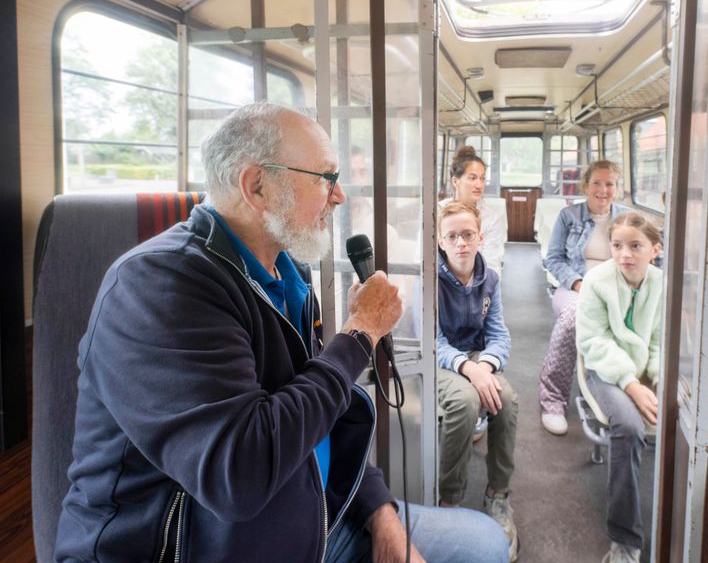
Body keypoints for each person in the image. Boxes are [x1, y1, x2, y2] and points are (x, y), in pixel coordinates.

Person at [55, 102, 509, 563]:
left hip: (318, 513)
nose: (339, 197)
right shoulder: (158, 286)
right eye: (325, 178)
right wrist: (360, 334)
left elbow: (322, 414)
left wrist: (379, 511)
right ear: (257, 186)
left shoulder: (285, 272)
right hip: (204, 548)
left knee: (485, 543)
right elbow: (241, 474)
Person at [435, 201, 520, 562]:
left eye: (468, 235)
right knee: (465, 402)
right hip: (441, 360)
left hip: (477, 357)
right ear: (440, 241)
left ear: (480, 237)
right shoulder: (431, 280)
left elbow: (499, 335)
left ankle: (498, 494)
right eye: (452, 236)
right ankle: (449, 499)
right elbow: (432, 340)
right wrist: (467, 369)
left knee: (508, 401)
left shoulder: (491, 279)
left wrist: (484, 364)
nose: (461, 244)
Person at [577, 212, 663, 563]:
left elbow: (659, 341)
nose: (624, 254)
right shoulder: (597, 281)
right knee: (628, 427)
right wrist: (631, 383)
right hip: (605, 370)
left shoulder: (661, 285)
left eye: (635, 246)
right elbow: (593, 342)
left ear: (654, 250)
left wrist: (658, 378)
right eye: (617, 246)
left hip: (642, 370)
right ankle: (625, 540)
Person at [538, 160, 631, 435]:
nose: (603, 190)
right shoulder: (569, 217)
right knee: (573, 319)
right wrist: (579, 283)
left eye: (610, 184)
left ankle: (623, 391)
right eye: (597, 183)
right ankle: (552, 400)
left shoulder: (626, 218)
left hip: (616, 289)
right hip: (575, 287)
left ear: (617, 187)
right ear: (586, 186)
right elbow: (553, 259)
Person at [439, 146, 507, 275]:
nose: (479, 185)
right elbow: (423, 259)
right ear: (455, 181)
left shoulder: (491, 218)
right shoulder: (437, 211)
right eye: (472, 178)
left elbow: (491, 266)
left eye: (482, 178)